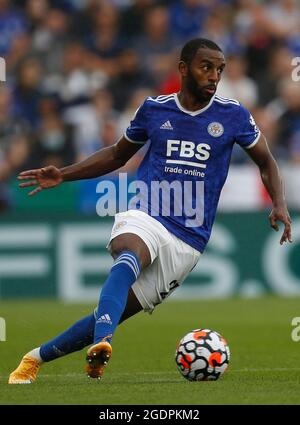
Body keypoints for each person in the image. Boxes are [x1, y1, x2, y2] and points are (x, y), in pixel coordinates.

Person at [8, 38, 292, 384]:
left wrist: (279, 202)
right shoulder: (155, 109)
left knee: (109, 312)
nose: (214, 76)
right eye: (206, 67)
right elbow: (116, 154)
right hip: (149, 212)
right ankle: (104, 342)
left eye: (219, 69)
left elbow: (266, 161)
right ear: (183, 69)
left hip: (189, 241)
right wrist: (63, 174)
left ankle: (34, 359)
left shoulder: (232, 115)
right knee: (130, 248)